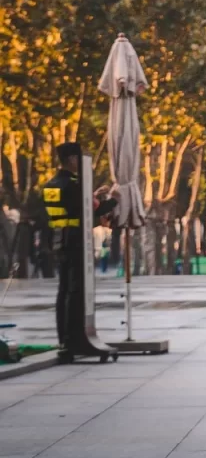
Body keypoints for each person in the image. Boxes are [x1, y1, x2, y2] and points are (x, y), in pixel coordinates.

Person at [41, 143, 115, 361]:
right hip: (76, 241)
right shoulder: (74, 184)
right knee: (75, 292)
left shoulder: (51, 184)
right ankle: (75, 339)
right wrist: (114, 200)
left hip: (59, 240)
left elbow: (70, 206)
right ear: (73, 160)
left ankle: (64, 338)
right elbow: (89, 212)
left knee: (63, 291)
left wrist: (91, 195)